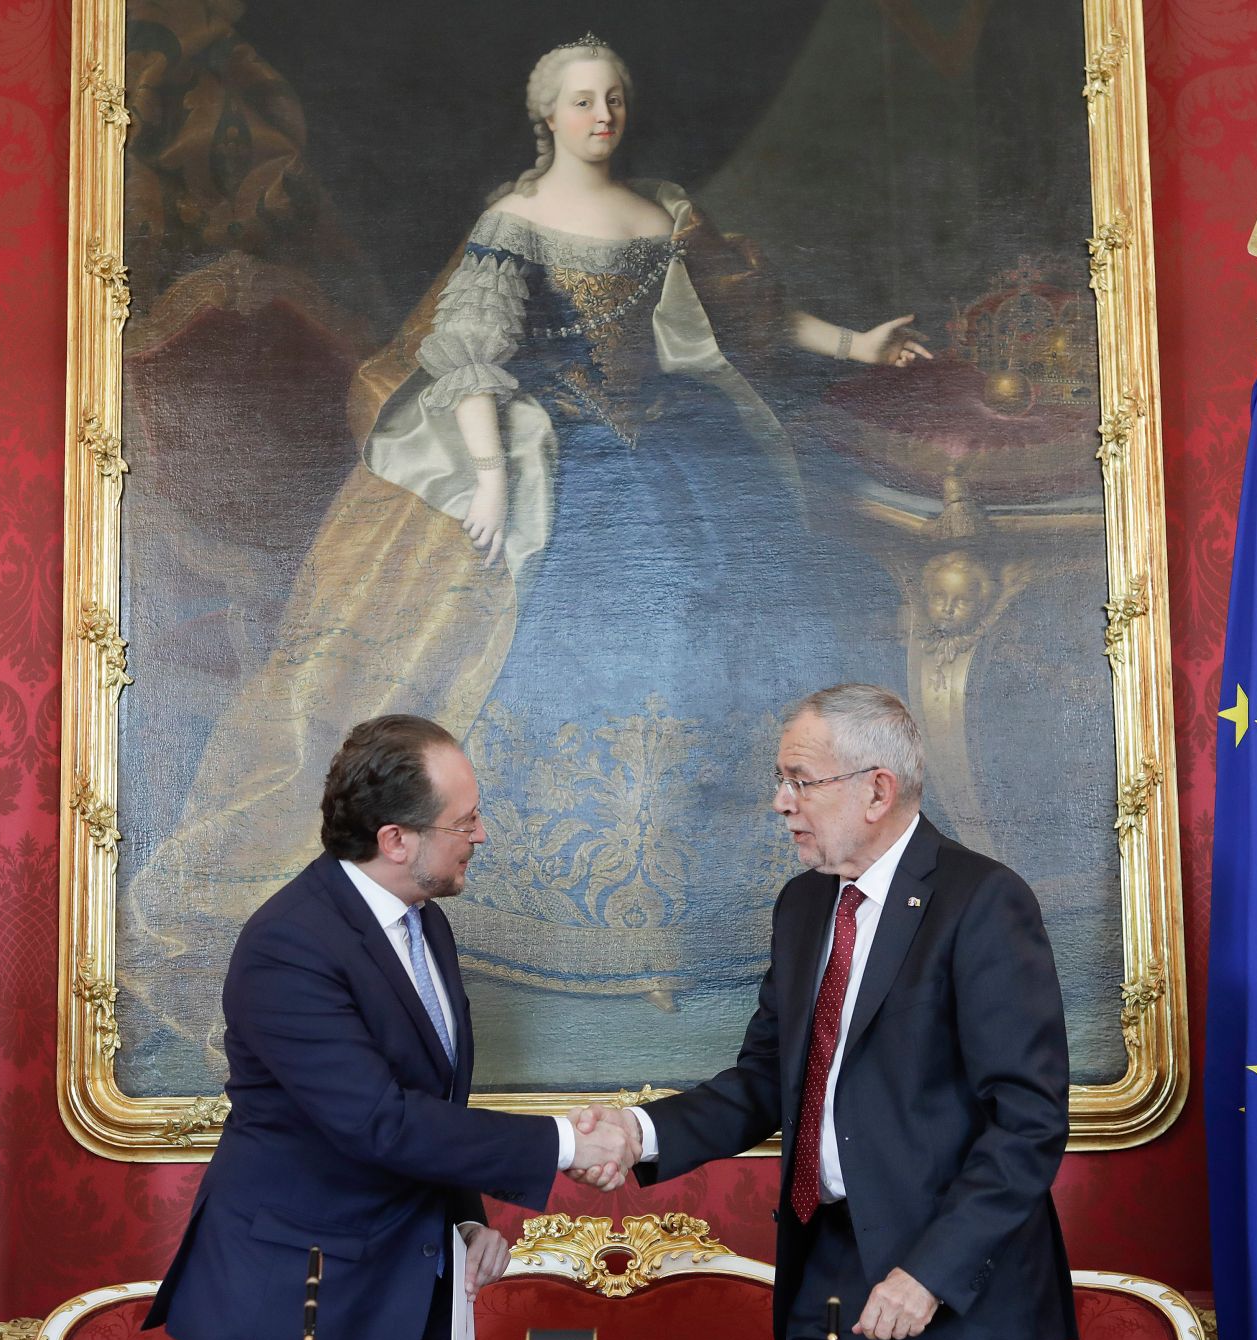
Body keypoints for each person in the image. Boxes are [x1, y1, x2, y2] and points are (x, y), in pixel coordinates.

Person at [124, 32, 930, 1041]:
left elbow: (749, 316)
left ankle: (719, 910)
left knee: (731, 630)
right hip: (556, 449)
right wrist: (493, 480)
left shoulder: (665, 211)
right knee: (558, 637)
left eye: (614, 98)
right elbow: (466, 353)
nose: (603, 116)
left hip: (680, 445)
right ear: (546, 114)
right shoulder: (514, 220)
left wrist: (856, 342)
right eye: (582, 100)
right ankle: (542, 916)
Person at [574, 684, 1077, 1340]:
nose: (781, 802)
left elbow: (1028, 1121)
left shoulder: (982, 901)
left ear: (877, 791)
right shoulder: (804, 904)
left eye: (801, 781)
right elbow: (765, 1080)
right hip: (824, 1265)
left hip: (947, 1288)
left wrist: (929, 1274)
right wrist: (639, 1133)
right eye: (781, 781)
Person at [144, 715, 635, 1340]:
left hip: (412, 1295)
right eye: (465, 821)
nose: (481, 835)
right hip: (301, 1306)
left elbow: (429, 1099)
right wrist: (568, 1144)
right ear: (395, 839)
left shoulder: (424, 925)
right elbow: (381, 1121)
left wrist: (464, 1220)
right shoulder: (288, 945)